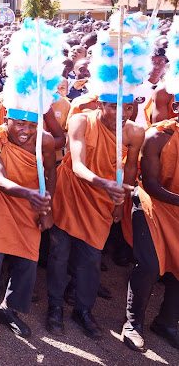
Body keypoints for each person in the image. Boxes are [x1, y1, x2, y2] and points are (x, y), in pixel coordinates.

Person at [47, 25, 148, 340]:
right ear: (100, 102)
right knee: (59, 254)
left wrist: (121, 201)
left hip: (103, 202)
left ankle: (83, 310)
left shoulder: (134, 132)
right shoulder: (80, 119)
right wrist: (106, 185)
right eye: (112, 105)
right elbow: (76, 164)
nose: (119, 113)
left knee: (91, 258)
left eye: (127, 107)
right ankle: (54, 307)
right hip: (71, 192)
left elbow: (130, 170)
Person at [0, 20, 61, 357]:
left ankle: (8, 309)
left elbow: (50, 177)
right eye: (18, 122)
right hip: (1, 207)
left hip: (31, 209)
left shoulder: (45, 141)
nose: (24, 130)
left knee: (26, 265)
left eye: (30, 123)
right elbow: (0, 177)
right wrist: (29, 195)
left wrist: (46, 209)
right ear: (6, 117)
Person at [122, 29, 179, 352]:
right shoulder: (158, 137)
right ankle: (132, 323)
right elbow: (153, 186)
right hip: (151, 204)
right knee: (149, 265)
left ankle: (167, 321)